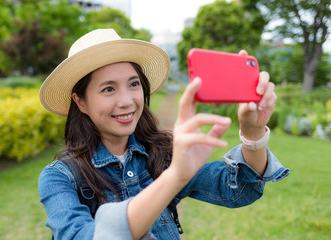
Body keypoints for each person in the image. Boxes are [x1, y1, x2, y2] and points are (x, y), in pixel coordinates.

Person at [38, 29, 289, 240]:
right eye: (108, 89)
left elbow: (239, 190)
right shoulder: (60, 177)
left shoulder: (162, 154)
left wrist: (252, 130)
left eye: (133, 84)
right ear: (80, 102)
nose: (127, 101)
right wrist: (175, 176)